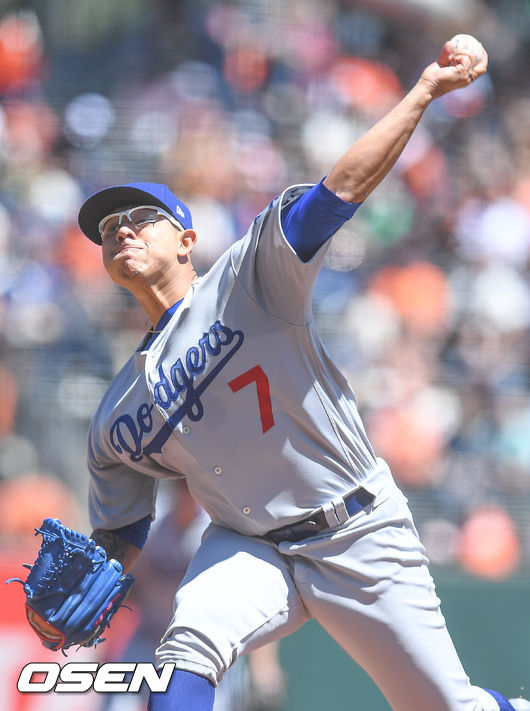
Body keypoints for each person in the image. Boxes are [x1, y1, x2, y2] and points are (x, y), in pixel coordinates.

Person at [76, 38, 525, 711]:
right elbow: (124, 523)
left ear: (188, 239)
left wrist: (426, 90)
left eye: (141, 218)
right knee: (185, 652)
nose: (120, 231)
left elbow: (338, 192)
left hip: (355, 527)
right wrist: (97, 572)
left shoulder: (247, 279)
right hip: (250, 546)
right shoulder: (117, 412)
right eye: (108, 227)